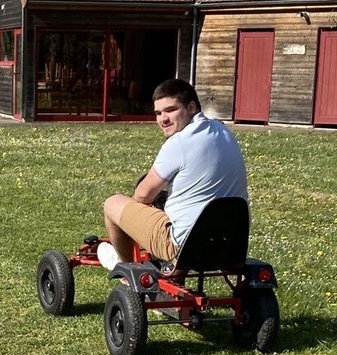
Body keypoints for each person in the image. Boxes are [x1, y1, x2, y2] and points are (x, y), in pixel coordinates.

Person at [97, 78, 249, 271]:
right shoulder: (223, 131)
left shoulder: (179, 142)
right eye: (158, 113)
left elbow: (143, 194)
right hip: (231, 244)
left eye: (170, 110)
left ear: (192, 107)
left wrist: (133, 219)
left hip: (182, 247)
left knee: (113, 203)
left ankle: (125, 266)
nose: (163, 119)